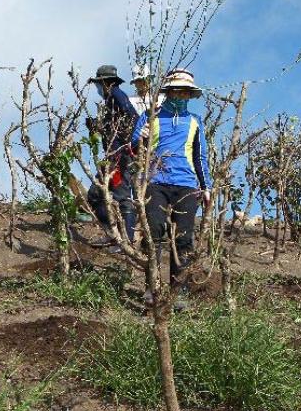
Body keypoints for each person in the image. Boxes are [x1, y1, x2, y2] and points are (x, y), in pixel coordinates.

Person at [131, 69, 211, 297]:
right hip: (155, 181)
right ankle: (152, 288)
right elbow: (133, 148)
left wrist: (206, 187)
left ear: (189, 95)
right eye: (176, 91)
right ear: (168, 92)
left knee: (184, 238)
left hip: (186, 185)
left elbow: (200, 157)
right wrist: (140, 138)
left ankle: (180, 291)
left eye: (185, 93)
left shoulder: (195, 122)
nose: (180, 96)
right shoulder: (149, 116)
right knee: (154, 231)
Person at [84, 64, 139, 248]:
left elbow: (133, 118)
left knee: (122, 196)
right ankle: (114, 234)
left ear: (106, 83)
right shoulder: (110, 102)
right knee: (94, 194)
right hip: (112, 157)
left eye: (100, 85)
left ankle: (126, 240)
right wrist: (97, 127)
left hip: (119, 158)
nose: (98, 89)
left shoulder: (116, 95)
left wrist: (128, 145)